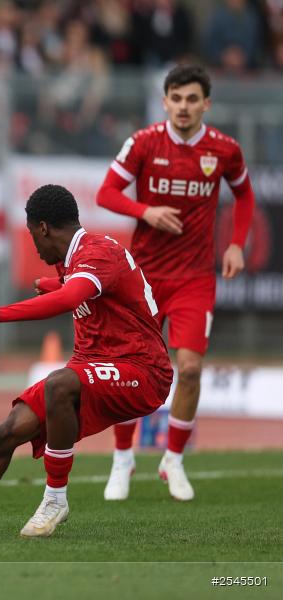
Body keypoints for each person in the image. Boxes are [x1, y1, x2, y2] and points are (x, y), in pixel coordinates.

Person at [0, 184, 172, 538]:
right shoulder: (74, 260)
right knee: (9, 430)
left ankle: (55, 499)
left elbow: (71, 298)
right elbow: (85, 290)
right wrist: (52, 282)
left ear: (43, 228)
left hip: (143, 371)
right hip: (93, 366)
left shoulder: (98, 252)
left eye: (34, 233)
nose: (35, 243)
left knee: (58, 384)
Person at [96, 64, 255, 502]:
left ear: (206, 103)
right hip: (141, 277)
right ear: (165, 102)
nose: (183, 107)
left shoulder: (224, 149)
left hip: (194, 277)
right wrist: (145, 211)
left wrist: (237, 244)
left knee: (189, 369)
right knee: (132, 372)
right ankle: (123, 458)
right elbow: (106, 192)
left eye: (192, 99)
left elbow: (244, 195)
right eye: (176, 98)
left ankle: (174, 460)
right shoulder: (145, 142)